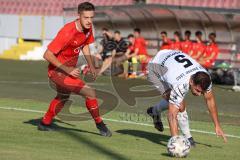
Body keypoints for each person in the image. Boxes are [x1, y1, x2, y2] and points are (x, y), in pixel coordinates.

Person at [39, 2, 112, 137]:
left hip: (67, 70)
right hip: (57, 71)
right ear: (79, 16)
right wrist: (67, 69)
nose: (89, 21)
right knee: (90, 92)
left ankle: (45, 123)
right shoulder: (67, 32)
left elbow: (84, 45)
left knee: (63, 97)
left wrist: (91, 65)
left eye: (91, 17)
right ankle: (100, 124)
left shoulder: (88, 28)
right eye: (86, 17)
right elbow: (47, 55)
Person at [147, 49, 227, 146]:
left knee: (177, 102)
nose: (199, 94)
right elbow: (172, 115)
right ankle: (187, 137)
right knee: (180, 105)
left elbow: (209, 99)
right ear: (191, 82)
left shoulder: (205, 78)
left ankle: (154, 111)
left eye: (202, 92)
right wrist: (175, 142)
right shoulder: (179, 85)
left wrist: (217, 125)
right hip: (155, 69)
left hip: (170, 56)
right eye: (197, 90)